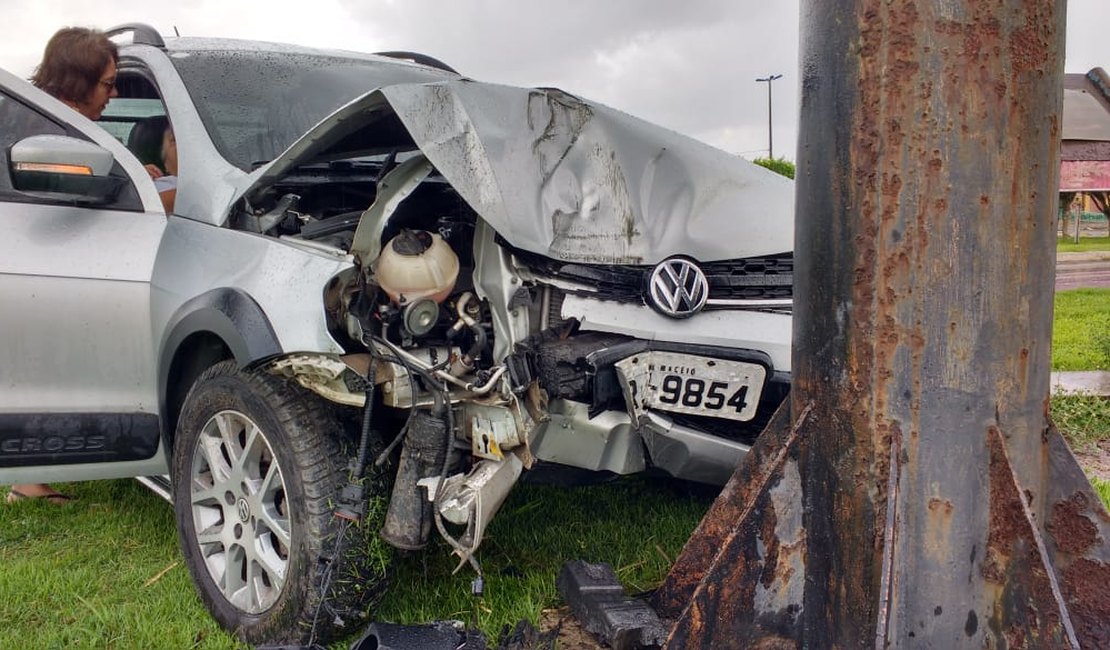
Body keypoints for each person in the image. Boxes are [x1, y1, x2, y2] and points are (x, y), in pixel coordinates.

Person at [7, 27, 119, 505]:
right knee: (37, 362)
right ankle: (28, 481)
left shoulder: (60, 123)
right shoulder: (51, 129)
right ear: (78, 81)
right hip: (41, 264)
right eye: (107, 84)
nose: (112, 96)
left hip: (51, 263)